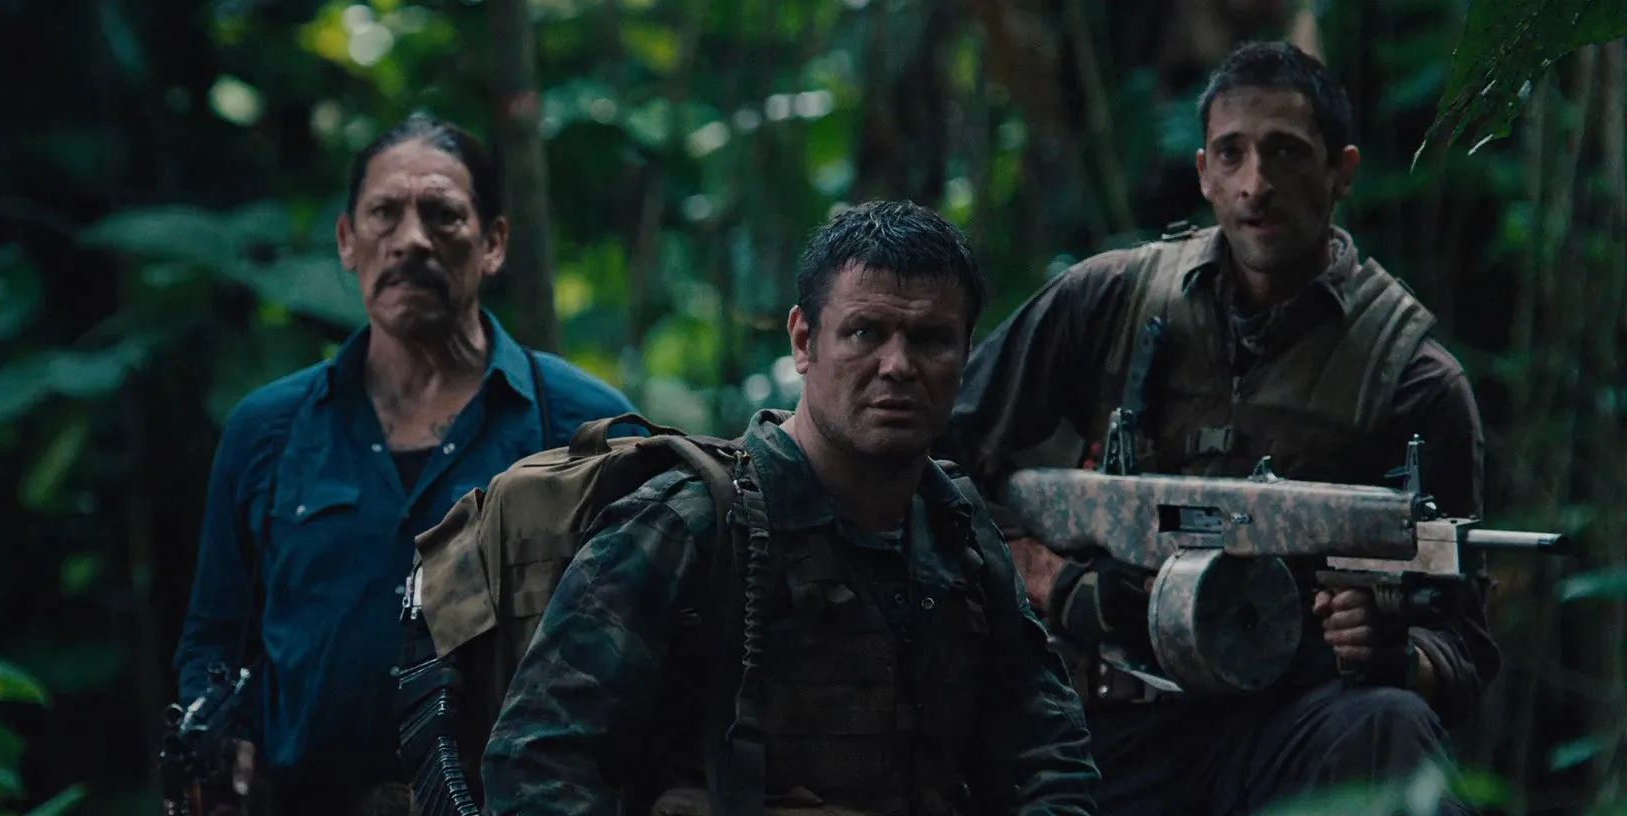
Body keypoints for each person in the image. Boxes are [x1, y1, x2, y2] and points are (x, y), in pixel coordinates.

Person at [938, 41, 1498, 815]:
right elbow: (935, 456)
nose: (1255, 184)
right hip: (1098, 720)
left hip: (1287, 727)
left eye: (1286, 153)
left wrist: (1396, 653)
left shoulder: (1412, 376)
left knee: (1391, 728)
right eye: (1232, 154)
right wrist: (1041, 572)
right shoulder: (1110, 299)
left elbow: (1463, 646)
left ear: (1341, 172)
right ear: (1203, 172)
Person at [480, 200, 1101, 816]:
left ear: (966, 353)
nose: (898, 366)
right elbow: (535, 766)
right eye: (865, 332)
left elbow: (1052, 756)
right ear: (805, 341)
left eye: (932, 339)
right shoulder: (689, 524)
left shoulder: (957, 532)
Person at [171, 113, 639, 815]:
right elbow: (214, 636)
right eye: (384, 213)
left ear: (493, 243)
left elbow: (637, 645)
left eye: (443, 215)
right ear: (347, 241)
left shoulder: (582, 425)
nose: (412, 239)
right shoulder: (267, 429)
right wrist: (217, 734)